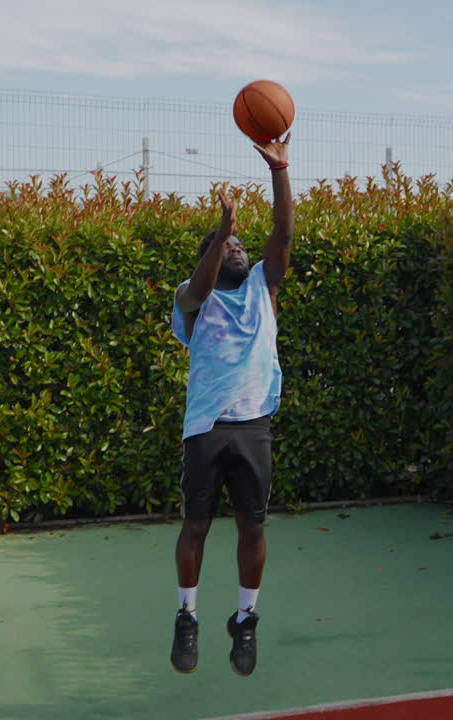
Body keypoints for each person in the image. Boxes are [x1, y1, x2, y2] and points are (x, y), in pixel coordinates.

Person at [168, 134, 293, 676]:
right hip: (206, 428)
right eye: (228, 248)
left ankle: (245, 621)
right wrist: (222, 231)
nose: (240, 250)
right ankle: (187, 617)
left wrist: (280, 171)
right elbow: (199, 284)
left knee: (253, 528)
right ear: (212, 258)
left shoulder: (264, 288)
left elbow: (283, 233)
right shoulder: (192, 299)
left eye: (241, 247)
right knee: (195, 527)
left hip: (253, 429)